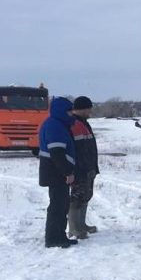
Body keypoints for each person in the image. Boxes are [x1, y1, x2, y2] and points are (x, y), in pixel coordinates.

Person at [38, 96, 78, 248]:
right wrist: (68, 172)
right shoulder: (54, 126)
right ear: (61, 111)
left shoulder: (57, 124)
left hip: (56, 172)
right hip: (55, 172)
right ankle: (53, 238)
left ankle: (60, 235)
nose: (72, 114)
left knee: (62, 205)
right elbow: (57, 153)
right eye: (69, 111)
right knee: (57, 206)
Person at [68, 96, 100, 239]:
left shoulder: (83, 123)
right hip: (80, 168)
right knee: (77, 197)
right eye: (89, 108)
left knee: (86, 195)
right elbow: (77, 149)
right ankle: (74, 228)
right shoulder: (75, 124)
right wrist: (79, 167)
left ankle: (81, 224)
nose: (90, 111)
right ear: (82, 109)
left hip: (88, 167)